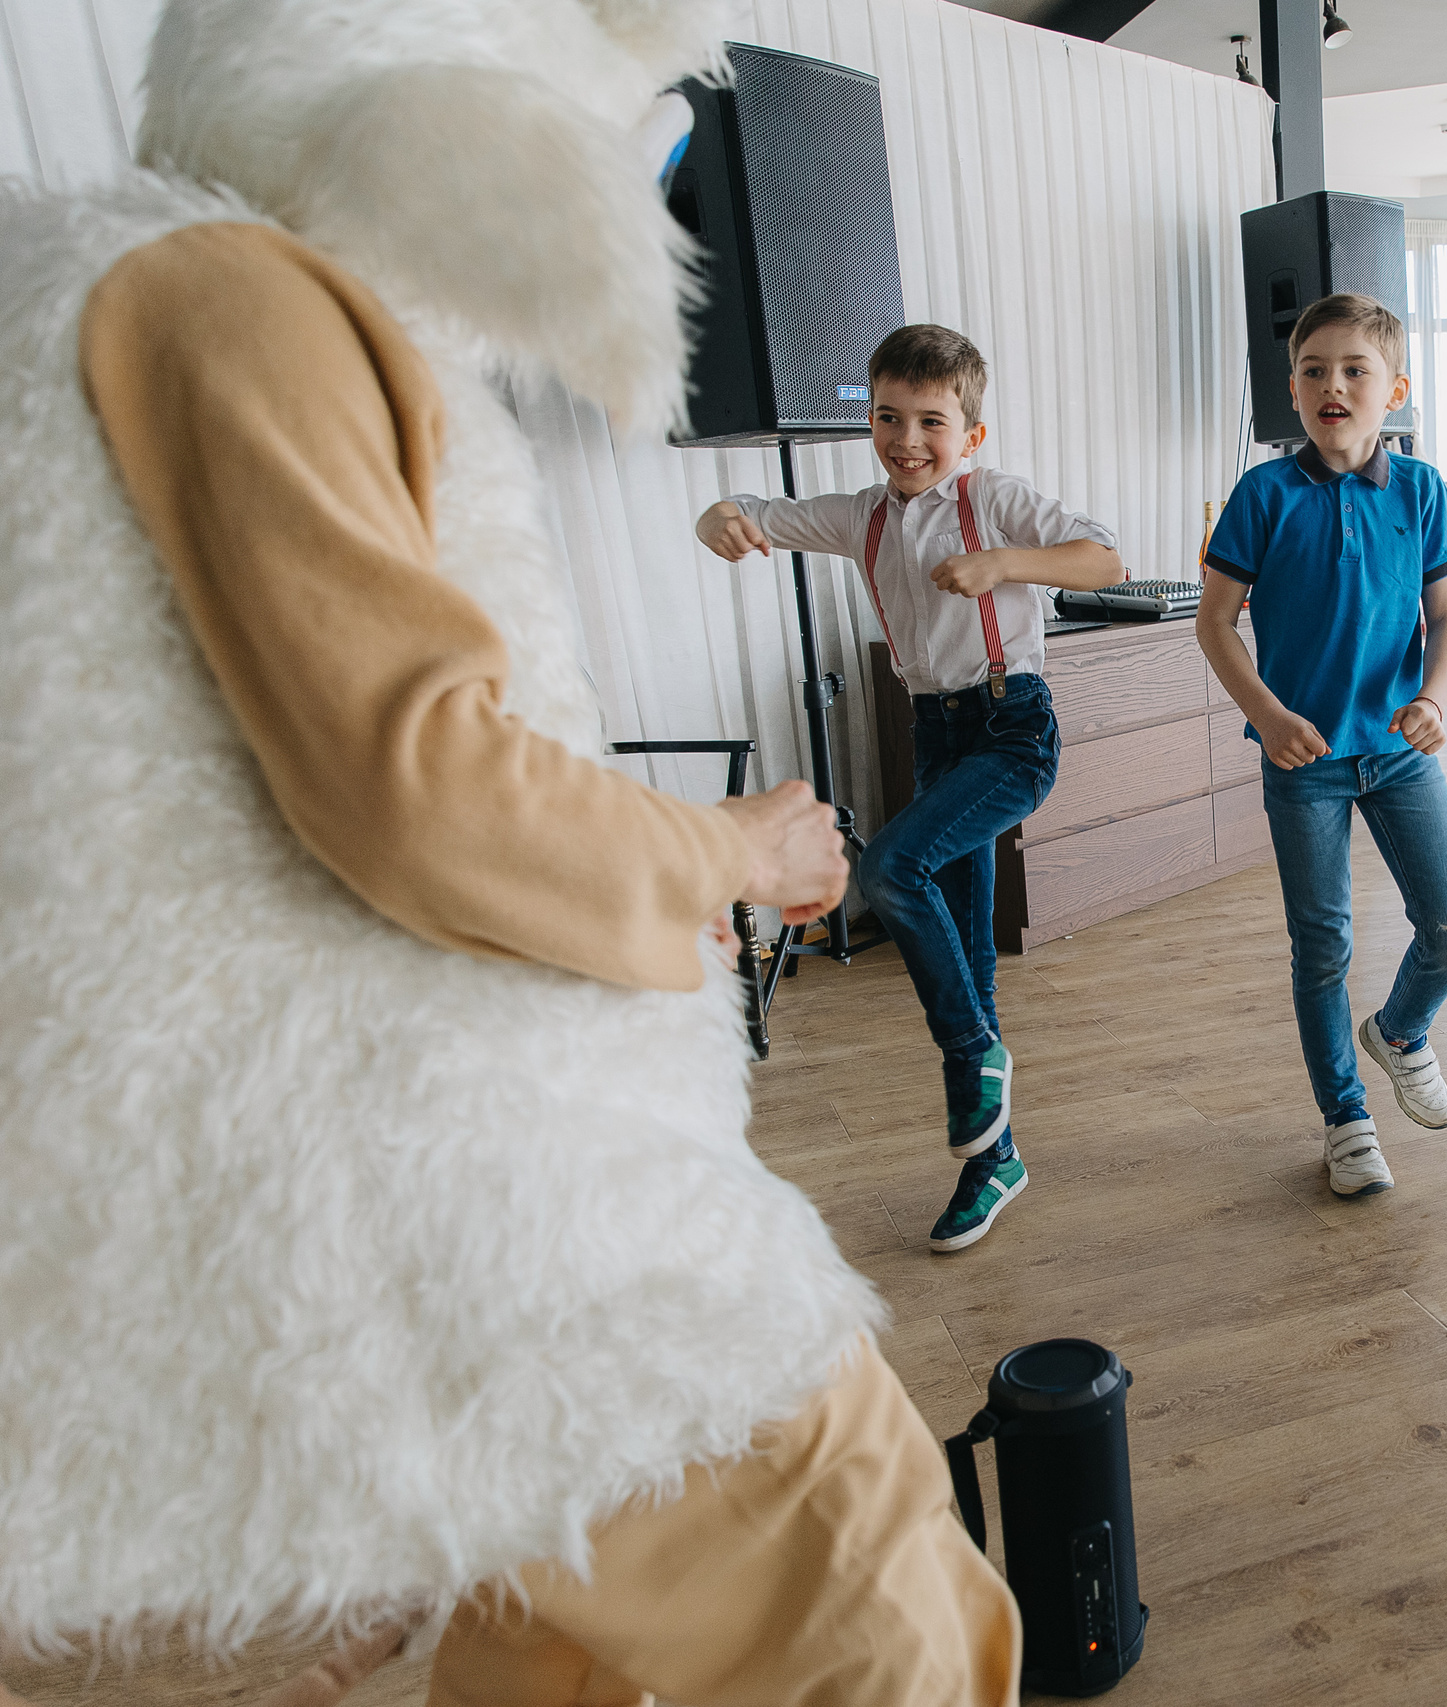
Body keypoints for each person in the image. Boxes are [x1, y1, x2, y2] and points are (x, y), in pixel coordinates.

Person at [0, 3, 1016, 1702]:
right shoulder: (228, 294)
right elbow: (420, 783)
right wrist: (738, 848)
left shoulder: (122, 295)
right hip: (459, 1208)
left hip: (297, 1211)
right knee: (868, 1594)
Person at [697, 324, 1124, 1253]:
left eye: (931, 420)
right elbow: (760, 511)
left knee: (888, 869)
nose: (907, 439)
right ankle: (993, 1159)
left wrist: (1003, 564)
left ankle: (974, 1059)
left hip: (1014, 729)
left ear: (970, 432)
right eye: (889, 417)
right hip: (936, 734)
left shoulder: (994, 498)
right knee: (967, 963)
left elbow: (1104, 560)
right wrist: (721, 517)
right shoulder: (864, 517)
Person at [1196, 292, 1447, 1198]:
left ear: (1394, 388)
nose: (1334, 385)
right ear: (1291, 388)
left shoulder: (1424, 490)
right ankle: (1346, 1117)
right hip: (1303, 762)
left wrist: (1435, 696)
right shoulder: (1264, 494)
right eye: (1315, 370)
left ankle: (1399, 1033)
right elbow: (1213, 624)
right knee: (1321, 950)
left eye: (1355, 369)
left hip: (1399, 751)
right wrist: (1269, 716)